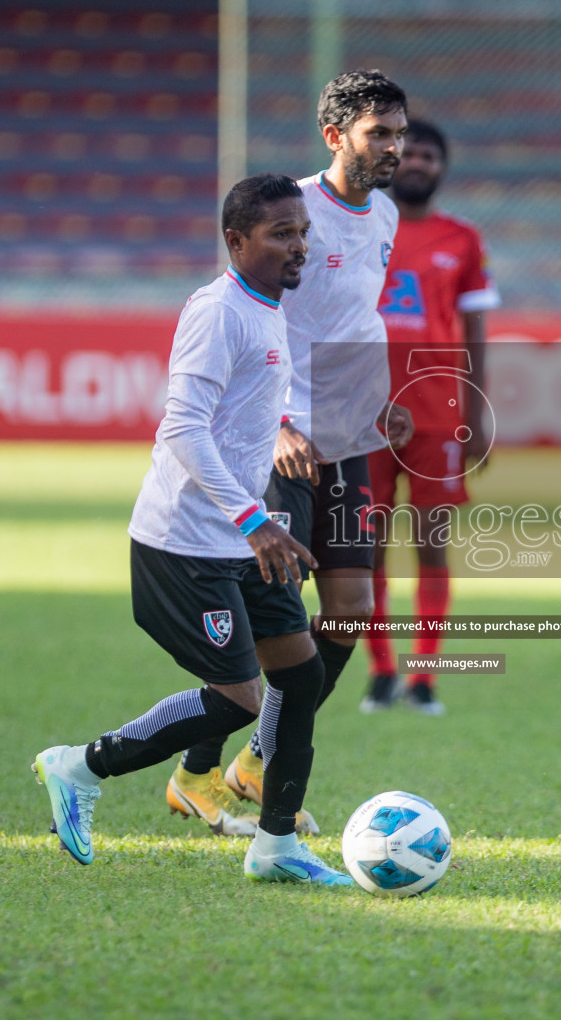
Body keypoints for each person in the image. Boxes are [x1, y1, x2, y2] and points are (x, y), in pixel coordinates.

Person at [31, 173, 353, 885]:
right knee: (241, 696)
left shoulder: (271, 308)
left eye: (303, 232)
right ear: (236, 241)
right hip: (183, 545)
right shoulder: (218, 312)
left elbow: (245, 419)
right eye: (280, 234)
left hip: (242, 537)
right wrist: (253, 519)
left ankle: (275, 849)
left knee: (298, 678)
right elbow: (182, 426)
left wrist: (265, 505)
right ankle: (79, 765)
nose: (299, 246)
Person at [166, 70, 412, 835]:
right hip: (285, 443)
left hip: (349, 436)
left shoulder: (387, 215)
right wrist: (273, 424)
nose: (396, 148)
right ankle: (197, 772)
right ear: (336, 136)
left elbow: (348, 322)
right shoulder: (291, 213)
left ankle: (259, 759)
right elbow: (249, 313)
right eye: (381, 134)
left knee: (349, 613)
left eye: (401, 133)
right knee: (278, 621)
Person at [362, 120, 500, 715]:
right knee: (361, 547)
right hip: (361, 415)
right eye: (407, 151)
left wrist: (480, 414)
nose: (416, 161)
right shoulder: (360, 229)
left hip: (437, 415)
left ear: (442, 167)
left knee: (431, 545)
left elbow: (476, 334)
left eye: (427, 154)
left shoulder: (462, 239)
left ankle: (424, 676)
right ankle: (381, 672)